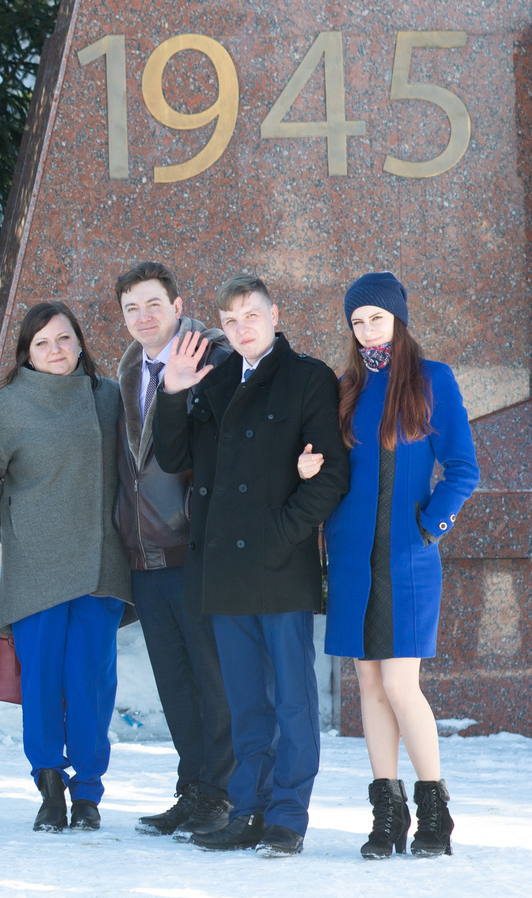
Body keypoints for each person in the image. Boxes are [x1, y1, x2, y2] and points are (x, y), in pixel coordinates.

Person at [152, 272, 350, 858]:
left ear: (274, 315)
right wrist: (172, 391)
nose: (241, 329)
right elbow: (173, 456)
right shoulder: (210, 382)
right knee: (245, 702)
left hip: (279, 567)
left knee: (292, 700)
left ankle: (288, 816)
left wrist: (279, 537)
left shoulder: (307, 377)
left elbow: (331, 475)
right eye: (231, 320)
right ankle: (249, 810)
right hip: (223, 571)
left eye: (252, 316)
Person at [324, 272, 479, 860]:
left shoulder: (431, 379)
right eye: (357, 321)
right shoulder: (345, 388)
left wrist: (429, 525)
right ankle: (386, 814)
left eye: (376, 318)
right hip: (352, 560)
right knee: (367, 683)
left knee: (399, 683)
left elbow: (463, 468)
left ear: (398, 319)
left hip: (408, 558)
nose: (366, 330)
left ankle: (433, 809)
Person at [0, 302, 130, 832]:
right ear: (26, 350)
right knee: (43, 680)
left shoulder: (109, 398)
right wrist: (23, 535)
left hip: (100, 563)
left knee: (90, 681)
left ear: (80, 344)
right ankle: (49, 785)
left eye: (65, 339)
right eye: (43, 342)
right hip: (35, 566)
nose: (56, 351)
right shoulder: (3, 407)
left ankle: (88, 792)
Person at [112, 262, 236, 838]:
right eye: (132, 307)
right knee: (175, 684)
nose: (144, 317)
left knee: (212, 680)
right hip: (145, 553)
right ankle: (192, 789)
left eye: (154, 304)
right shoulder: (130, 364)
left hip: (193, 547)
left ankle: (222, 795)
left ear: (179, 305)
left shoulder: (210, 358)